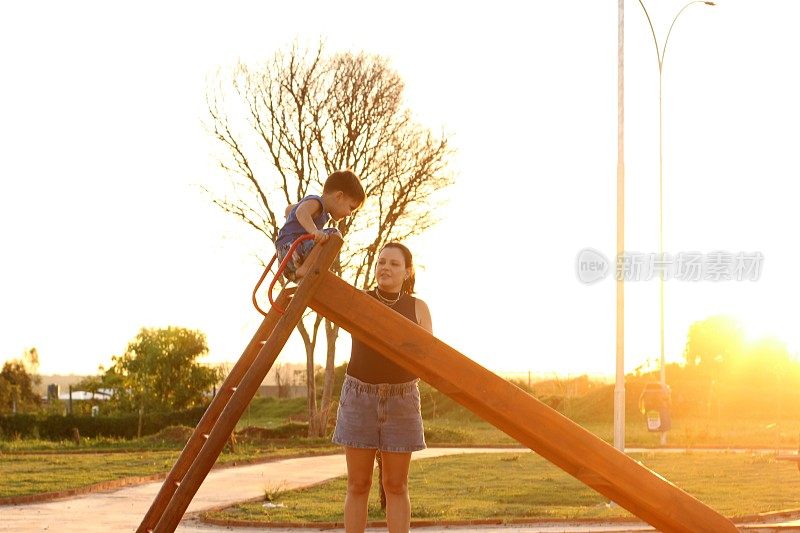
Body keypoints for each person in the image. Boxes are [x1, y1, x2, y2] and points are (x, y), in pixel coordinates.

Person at [332, 242, 433, 533]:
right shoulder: (359, 300)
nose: (385, 268)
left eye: (394, 264)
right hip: (359, 397)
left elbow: (429, 357)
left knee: (396, 485)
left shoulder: (418, 307)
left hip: (402, 400)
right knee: (358, 483)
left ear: (407, 272)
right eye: (381, 262)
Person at [275, 170, 365, 281]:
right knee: (334, 234)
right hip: (291, 249)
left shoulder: (320, 210)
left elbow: (290, 209)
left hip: (283, 258)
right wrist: (314, 231)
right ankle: (306, 268)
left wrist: (291, 219)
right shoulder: (317, 202)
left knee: (323, 238)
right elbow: (301, 211)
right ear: (339, 196)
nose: (349, 213)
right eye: (351, 208)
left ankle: (298, 273)